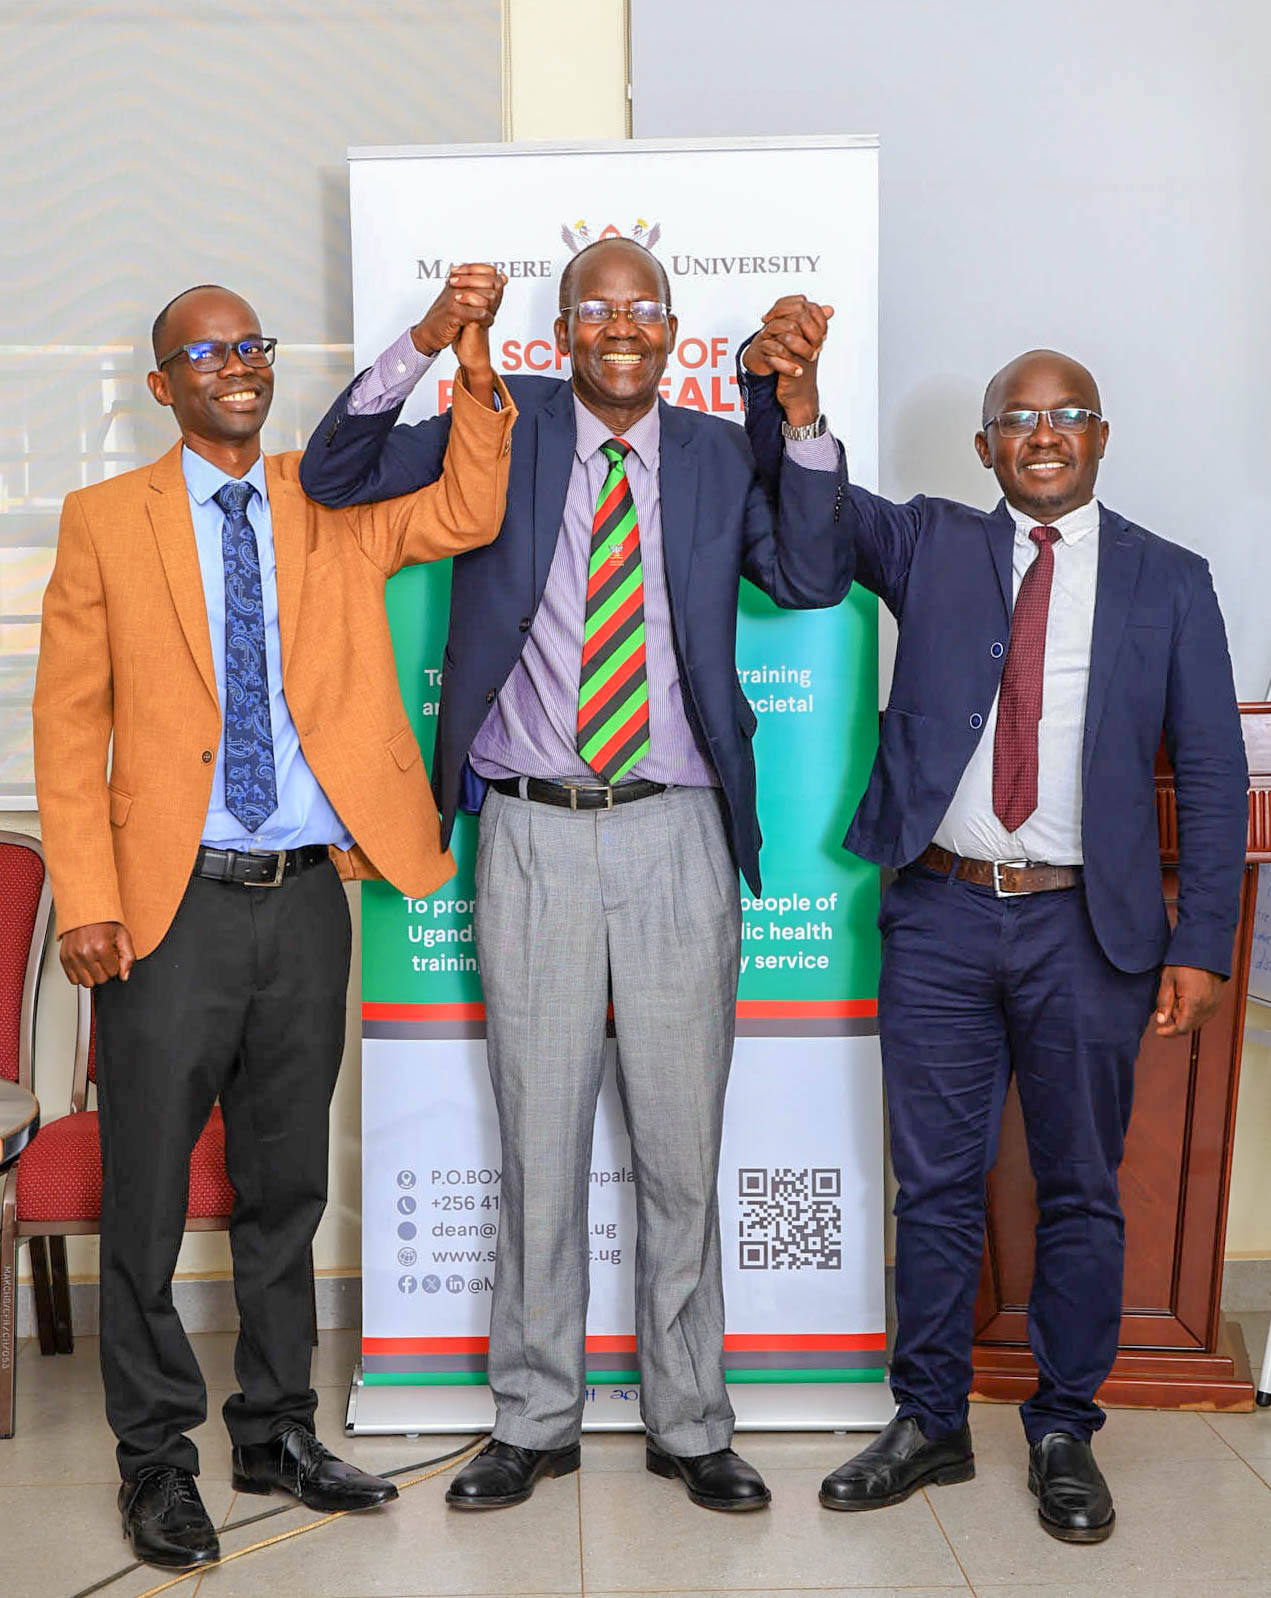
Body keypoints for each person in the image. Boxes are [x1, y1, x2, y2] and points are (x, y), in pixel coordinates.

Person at [300, 241, 851, 1512]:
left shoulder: (719, 449)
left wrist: (805, 415)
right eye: (595, 310)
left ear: (671, 331)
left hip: (677, 832)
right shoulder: (502, 419)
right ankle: (533, 1417)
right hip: (534, 833)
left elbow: (812, 575)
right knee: (537, 1143)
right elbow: (334, 474)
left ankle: (690, 1419)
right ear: (560, 331)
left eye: (641, 311)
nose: (620, 329)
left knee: (678, 1145)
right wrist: (435, 333)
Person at [740, 304, 1249, 1543]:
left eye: (1063, 413)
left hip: (1089, 927)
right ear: (980, 449)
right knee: (937, 1186)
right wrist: (795, 409)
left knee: (1079, 1187)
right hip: (941, 915)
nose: (1041, 432)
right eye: (1015, 417)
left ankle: (1063, 1426)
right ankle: (927, 1418)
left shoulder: (1167, 578)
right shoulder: (931, 543)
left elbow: (1214, 771)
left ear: (1099, 436)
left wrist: (1198, 946)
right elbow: (813, 538)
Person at [32, 284, 515, 1570]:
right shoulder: (103, 520)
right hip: (166, 901)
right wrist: (86, 894)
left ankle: (275, 1426)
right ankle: (154, 1461)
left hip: (308, 893)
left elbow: (470, 506)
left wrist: (467, 362)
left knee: (285, 1185)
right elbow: (71, 724)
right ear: (162, 384)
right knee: (143, 1197)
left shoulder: (326, 494)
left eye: (252, 346)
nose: (238, 365)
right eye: (208, 350)